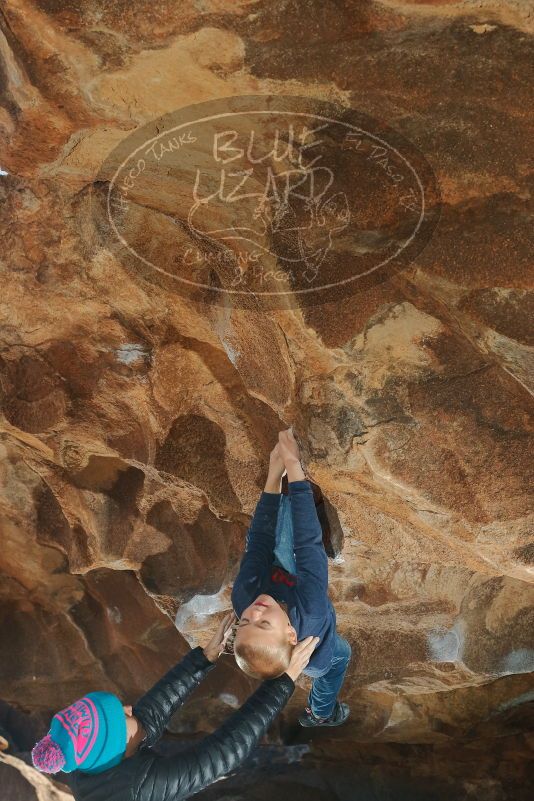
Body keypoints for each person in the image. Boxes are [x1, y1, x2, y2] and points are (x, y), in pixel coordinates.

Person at [30, 612, 318, 800]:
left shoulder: (88, 758)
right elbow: (224, 753)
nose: (130, 708)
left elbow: (148, 716)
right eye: (123, 715)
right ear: (121, 744)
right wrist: (284, 681)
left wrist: (204, 658)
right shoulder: (137, 788)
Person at [230, 428, 351, 727]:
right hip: (319, 652)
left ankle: (318, 711)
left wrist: (275, 474)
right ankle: (321, 713)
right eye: (263, 622)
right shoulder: (311, 609)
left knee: (279, 536)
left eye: (244, 621)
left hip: (288, 592)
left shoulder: (245, 597)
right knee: (339, 658)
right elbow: (308, 545)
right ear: (291, 635)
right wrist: (294, 467)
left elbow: (258, 540)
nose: (254, 612)